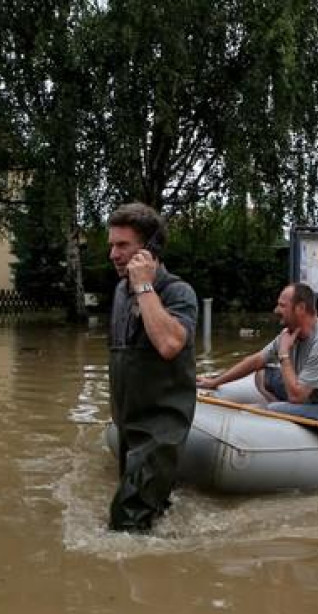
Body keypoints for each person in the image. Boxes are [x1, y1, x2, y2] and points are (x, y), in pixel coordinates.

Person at [106, 202, 198, 533]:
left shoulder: (178, 292)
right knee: (145, 517)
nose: (113, 255)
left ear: (149, 250)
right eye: (111, 246)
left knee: (125, 526)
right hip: (130, 424)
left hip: (160, 429)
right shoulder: (119, 290)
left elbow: (170, 344)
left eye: (123, 245)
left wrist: (145, 286)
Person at [197, 282, 318, 425]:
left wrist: (284, 354)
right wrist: (214, 382)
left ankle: (281, 413)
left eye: (282, 305)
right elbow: (257, 359)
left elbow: (296, 397)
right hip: (314, 396)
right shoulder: (290, 332)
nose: (276, 310)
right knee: (263, 374)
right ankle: (286, 413)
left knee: (271, 410)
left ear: (300, 308)